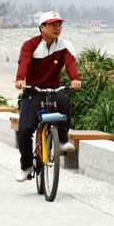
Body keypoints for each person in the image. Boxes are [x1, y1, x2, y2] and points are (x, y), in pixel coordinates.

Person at [14, 11, 82, 182]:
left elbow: (70, 63)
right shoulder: (30, 45)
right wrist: (20, 80)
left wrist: (75, 79)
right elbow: (24, 62)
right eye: (52, 25)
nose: (57, 28)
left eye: (59, 25)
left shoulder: (64, 45)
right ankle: (26, 165)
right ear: (42, 27)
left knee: (65, 101)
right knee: (24, 130)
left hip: (52, 89)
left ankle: (62, 140)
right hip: (32, 91)